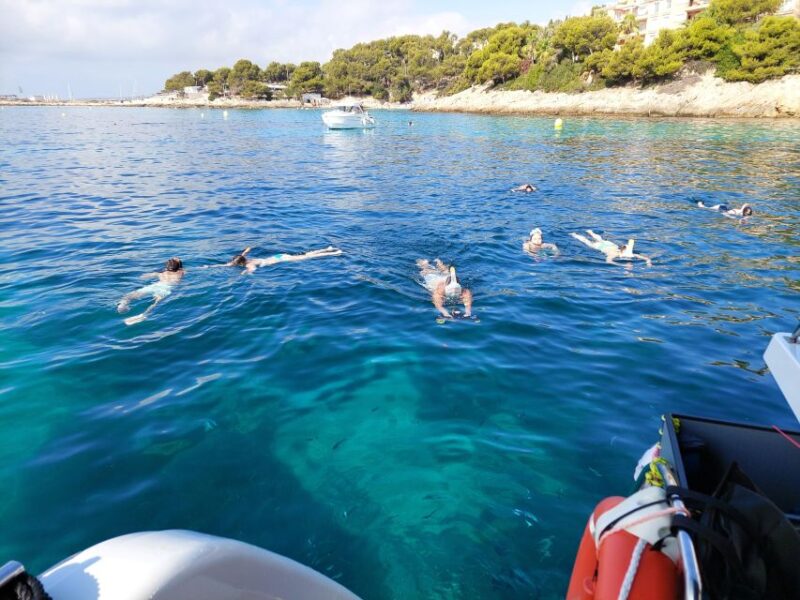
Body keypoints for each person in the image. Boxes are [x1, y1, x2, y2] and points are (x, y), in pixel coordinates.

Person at [117, 257, 184, 326]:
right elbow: (181, 269)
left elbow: (143, 277)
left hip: (156, 285)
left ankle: (123, 304)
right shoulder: (180, 272)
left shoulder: (161, 273)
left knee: (131, 295)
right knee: (156, 303)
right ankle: (144, 315)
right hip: (166, 288)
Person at [209, 245, 343, 274]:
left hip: (283, 260)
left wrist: (243, 273)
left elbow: (251, 271)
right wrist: (210, 267)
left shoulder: (249, 265)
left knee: (309, 257)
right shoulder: (245, 259)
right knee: (307, 254)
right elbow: (235, 260)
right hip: (278, 256)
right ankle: (328, 248)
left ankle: (334, 253)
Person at [570, 230, 652, 266]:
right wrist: (621, 265)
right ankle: (575, 235)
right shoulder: (613, 254)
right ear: (623, 252)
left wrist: (648, 262)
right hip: (601, 247)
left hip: (609, 245)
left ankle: (590, 232)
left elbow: (646, 258)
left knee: (600, 239)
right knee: (587, 242)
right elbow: (608, 261)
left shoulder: (630, 254)